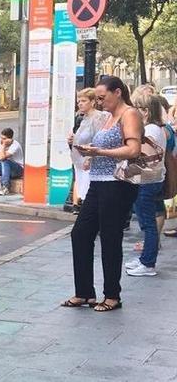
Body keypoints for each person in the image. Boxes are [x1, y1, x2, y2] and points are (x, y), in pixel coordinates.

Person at [62, 76, 142, 312]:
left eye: (102, 97)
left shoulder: (130, 114)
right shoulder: (108, 117)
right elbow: (103, 148)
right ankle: (85, 292)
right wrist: (91, 155)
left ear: (117, 92)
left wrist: (101, 152)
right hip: (98, 183)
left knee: (109, 238)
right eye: (96, 98)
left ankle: (112, 296)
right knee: (80, 234)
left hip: (117, 185)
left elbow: (134, 149)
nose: (99, 102)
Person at [122, 93, 167, 277]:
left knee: (147, 225)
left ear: (146, 111)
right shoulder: (156, 129)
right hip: (154, 181)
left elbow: (145, 160)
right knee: (149, 223)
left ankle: (148, 263)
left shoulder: (150, 131)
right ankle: (145, 260)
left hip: (146, 182)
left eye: (138, 108)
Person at [68, 88, 110, 213]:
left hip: (91, 161)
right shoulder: (81, 118)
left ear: (92, 102)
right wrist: (72, 140)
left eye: (83, 101)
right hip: (79, 160)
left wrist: (89, 158)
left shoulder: (98, 117)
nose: (80, 103)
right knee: (84, 191)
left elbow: (99, 139)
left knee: (90, 193)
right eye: (78, 101)